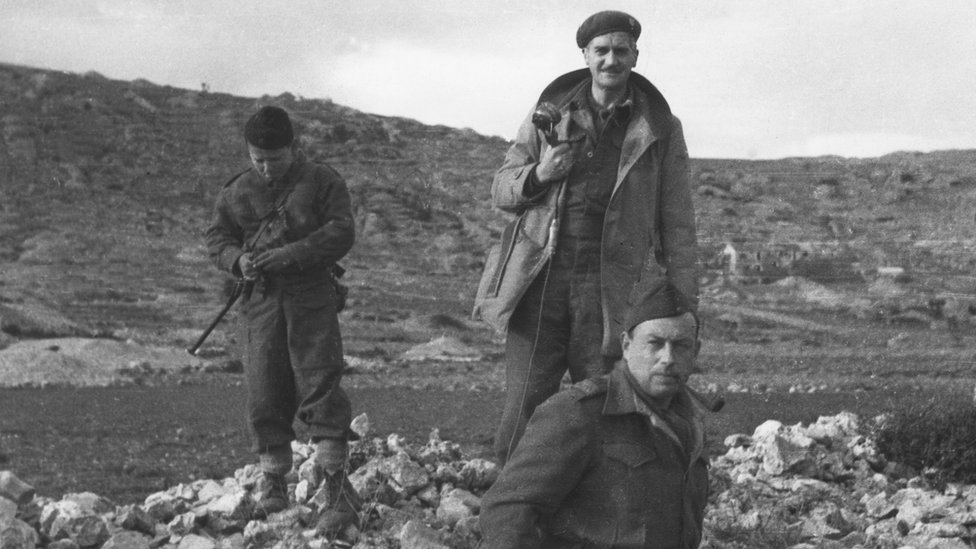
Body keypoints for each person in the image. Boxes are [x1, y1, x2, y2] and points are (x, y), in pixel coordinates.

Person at [473, 10, 699, 463]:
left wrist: (686, 305)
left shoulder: (659, 128)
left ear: (635, 56)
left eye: (621, 51)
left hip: (611, 292)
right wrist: (540, 173)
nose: (611, 60)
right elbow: (501, 188)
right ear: (585, 55)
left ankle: (595, 502)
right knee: (523, 408)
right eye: (601, 51)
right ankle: (510, 499)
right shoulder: (549, 114)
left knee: (604, 405)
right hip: (541, 282)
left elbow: (677, 223)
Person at [205, 105, 360, 534]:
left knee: (320, 383)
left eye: (274, 158)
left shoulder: (322, 180)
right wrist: (238, 260)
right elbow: (217, 237)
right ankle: (273, 482)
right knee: (264, 387)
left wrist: (292, 254)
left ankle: (338, 489)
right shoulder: (236, 191)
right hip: (261, 301)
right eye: (258, 159)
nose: (266, 167)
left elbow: (342, 230)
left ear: (293, 147)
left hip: (311, 295)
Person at [479, 279, 709, 549]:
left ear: (696, 352)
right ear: (626, 346)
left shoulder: (691, 422)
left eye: (681, 345)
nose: (667, 358)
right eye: (655, 343)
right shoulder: (578, 413)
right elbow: (508, 511)